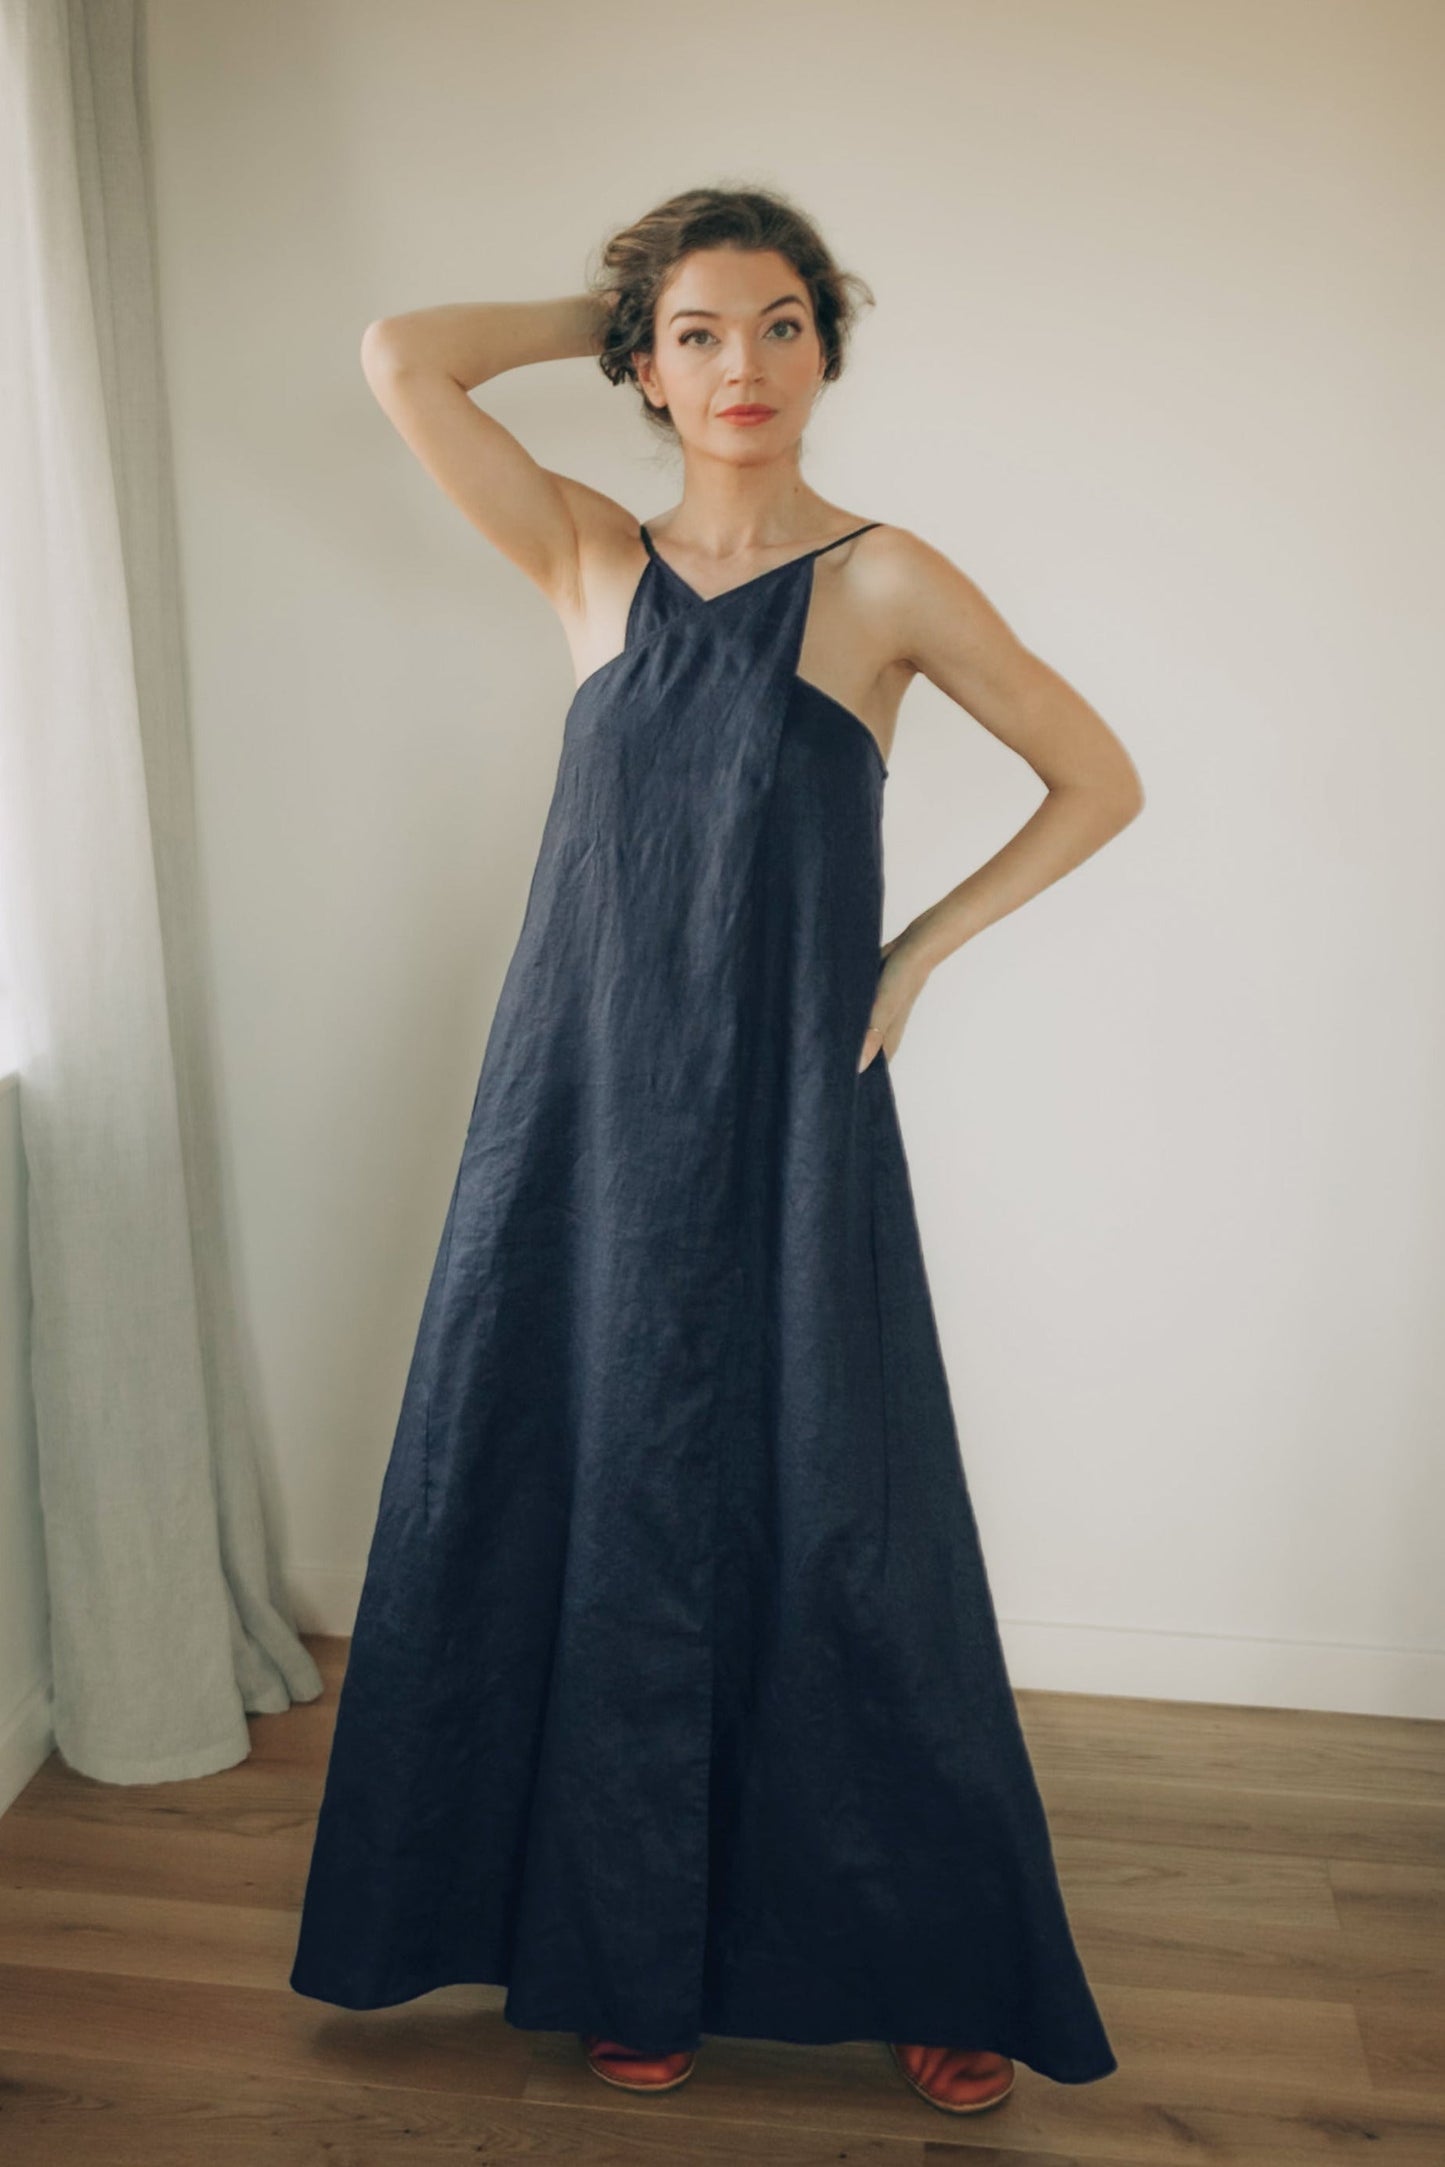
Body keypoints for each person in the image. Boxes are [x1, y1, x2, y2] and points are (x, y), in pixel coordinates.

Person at [289, 184, 1143, 2120]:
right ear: (643, 369)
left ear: (829, 348)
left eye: (778, 324)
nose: (740, 365)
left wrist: (914, 955)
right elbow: (400, 353)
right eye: (694, 334)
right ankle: (624, 1945)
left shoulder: (890, 581)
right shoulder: (587, 557)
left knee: (843, 1523)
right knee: (587, 1505)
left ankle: (932, 1948)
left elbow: (1102, 779)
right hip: (579, 1121)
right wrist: (612, 295)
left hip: (785, 1121)